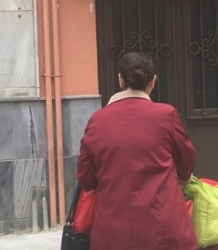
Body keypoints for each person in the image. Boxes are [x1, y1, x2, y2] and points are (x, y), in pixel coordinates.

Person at [77, 52, 197, 249]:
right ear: (153, 81)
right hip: (163, 229)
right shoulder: (165, 115)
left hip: (113, 232)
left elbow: (86, 179)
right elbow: (187, 165)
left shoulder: (97, 120)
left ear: (120, 79)